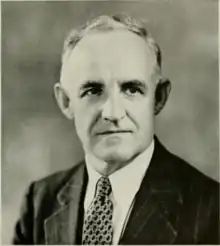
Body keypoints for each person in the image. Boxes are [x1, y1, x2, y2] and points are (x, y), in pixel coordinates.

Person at [13, 14, 219, 245]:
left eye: (131, 89)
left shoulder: (211, 209)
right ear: (66, 102)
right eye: (93, 90)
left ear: (158, 98)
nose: (112, 112)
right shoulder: (40, 202)